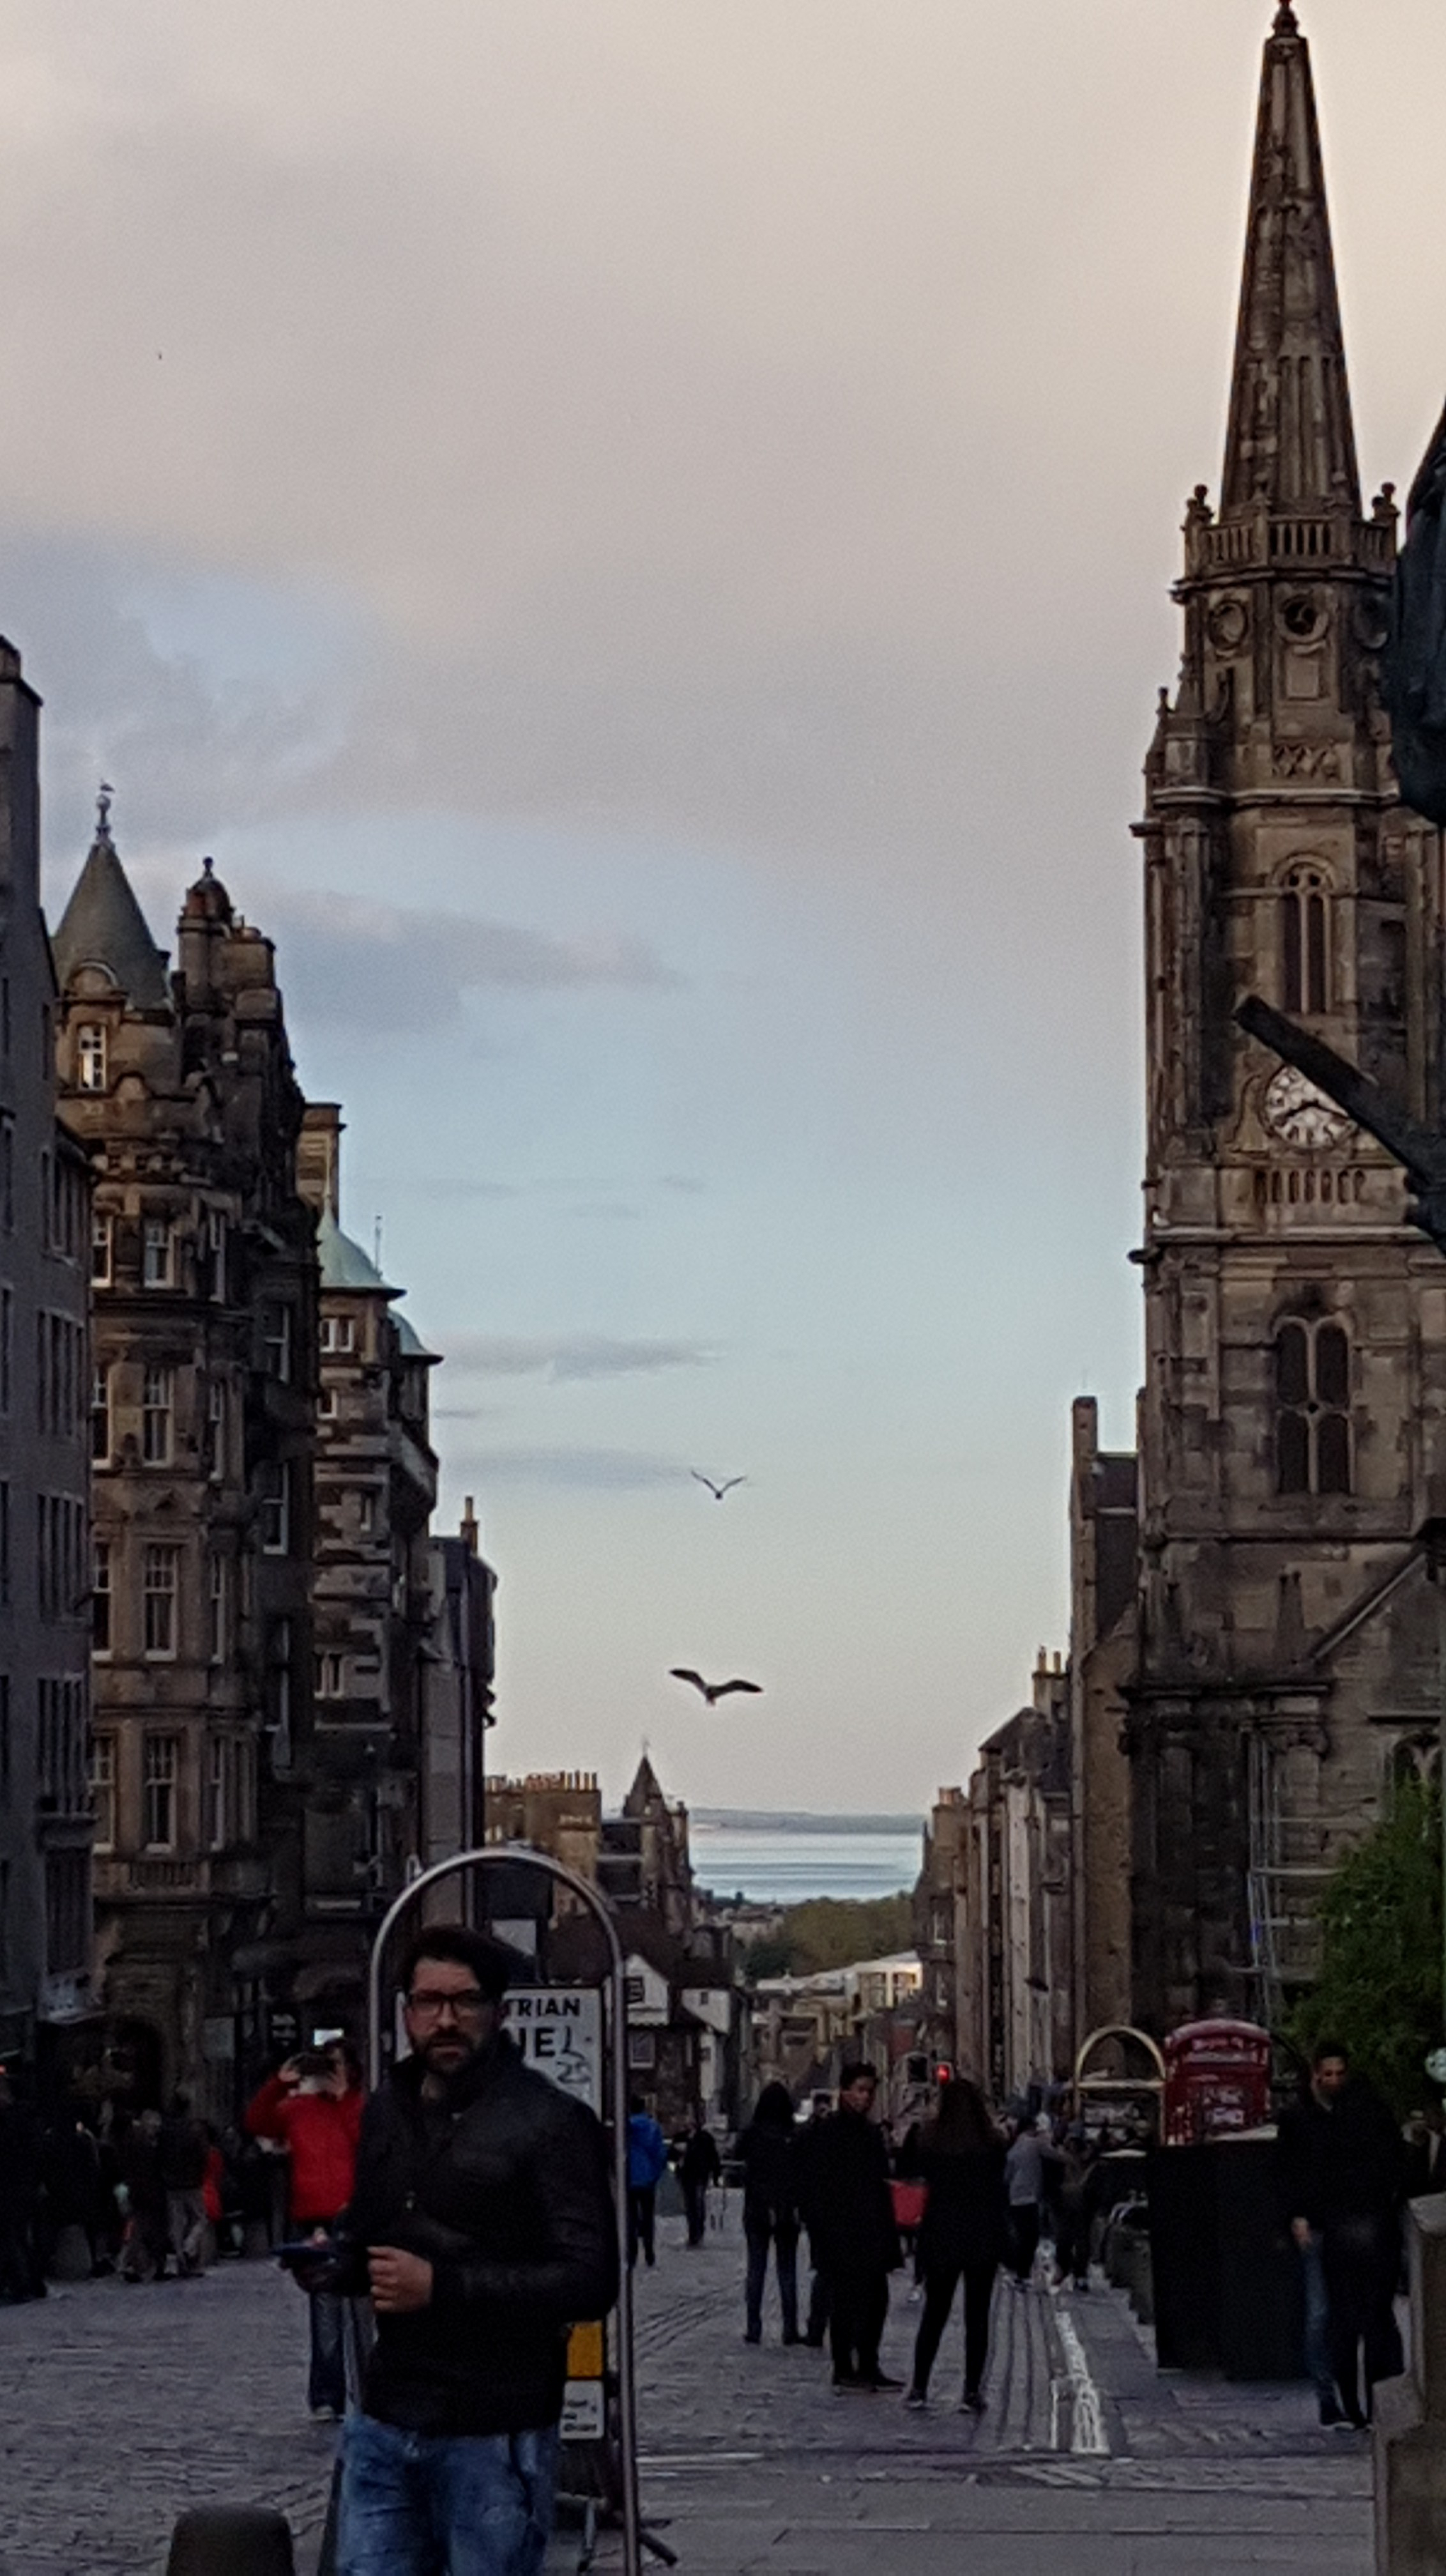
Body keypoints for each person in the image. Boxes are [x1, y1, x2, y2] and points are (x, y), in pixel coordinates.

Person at [317, 1924, 617, 2576]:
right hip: (389, 2414)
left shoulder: (550, 2121)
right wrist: (336, 2261)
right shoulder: (385, 2112)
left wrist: (443, 2287)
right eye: (429, 2002)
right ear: (406, 2012)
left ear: (497, 2011)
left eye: (465, 2002)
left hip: (493, 2425)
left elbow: (589, 2279)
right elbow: (374, 2231)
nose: (445, 2021)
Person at [1279, 2040, 1405, 2430]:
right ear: (1317, 2074)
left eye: (1339, 2074)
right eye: (1327, 2074)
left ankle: (1350, 2402)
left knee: (1342, 2321)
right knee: (1345, 2318)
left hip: (1339, 2230)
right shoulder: (1313, 2116)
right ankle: (1342, 2398)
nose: (1334, 2080)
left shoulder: (1341, 2118)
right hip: (1347, 2229)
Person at [247, 2041, 367, 2419]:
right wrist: (279, 2085)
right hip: (316, 2215)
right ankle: (327, 2394)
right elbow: (258, 2122)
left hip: (357, 2215)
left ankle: (367, 2390)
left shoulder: (361, 2106)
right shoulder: (299, 2110)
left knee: (364, 2309)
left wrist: (344, 2097)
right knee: (326, 2311)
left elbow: (366, 2143)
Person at [906, 2077, 1006, 2412]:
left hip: (942, 2234)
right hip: (980, 2236)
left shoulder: (931, 2143)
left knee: (935, 2314)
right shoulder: (991, 2145)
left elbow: (913, 2172)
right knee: (977, 2317)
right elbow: (998, 2192)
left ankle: (920, 2387)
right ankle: (972, 2390)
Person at [804, 2062, 902, 2392]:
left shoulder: (871, 2133)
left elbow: (879, 2182)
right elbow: (818, 2187)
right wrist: (825, 2230)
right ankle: (844, 2366)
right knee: (845, 2303)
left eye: (869, 2091)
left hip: (872, 2229)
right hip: (842, 2232)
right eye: (860, 2090)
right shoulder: (829, 2132)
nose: (865, 2097)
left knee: (876, 2300)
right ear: (845, 2092)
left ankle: (869, 2363)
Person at [738, 2083, 801, 2345]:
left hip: (757, 2209)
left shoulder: (752, 2134)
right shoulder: (793, 2136)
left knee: (756, 2269)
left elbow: (738, 2155)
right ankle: (790, 2328)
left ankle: (754, 2327)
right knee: (787, 2271)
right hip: (787, 2209)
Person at [0, 2066, 45, 2302]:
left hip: (11, 2188)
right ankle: (30, 2283)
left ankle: (22, 2283)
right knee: (20, 2237)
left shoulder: (11, 2123)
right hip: (25, 2188)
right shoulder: (31, 2123)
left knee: (12, 2238)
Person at [159, 2092, 210, 2276]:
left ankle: (181, 2261)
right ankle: (190, 2248)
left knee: (177, 2224)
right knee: (199, 2219)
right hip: (191, 2182)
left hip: (171, 2183)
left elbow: (160, 2155)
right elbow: (204, 2155)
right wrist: (198, 2173)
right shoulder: (194, 2129)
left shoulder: (165, 2130)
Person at [1003, 2114, 1053, 2288]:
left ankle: (1020, 2272)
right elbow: (1053, 2155)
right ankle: (1022, 2273)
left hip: (1015, 2196)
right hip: (1029, 2196)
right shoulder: (1034, 2143)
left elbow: (1007, 2175)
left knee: (1021, 2235)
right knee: (1030, 2236)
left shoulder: (1015, 2147)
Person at [1049, 2128, 1102, 2292]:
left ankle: (1079, 2274)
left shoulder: (1088, 2163)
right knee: (1064, 2240)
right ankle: (1064, 2269)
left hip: (1081, 2206)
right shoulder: (1058, 2160)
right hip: (1064, 2204)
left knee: (1081, 2242)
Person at [627, 2094, 668, 2268]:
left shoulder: (626, 2128)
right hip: (648, 2179)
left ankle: (632, 2253)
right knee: (648, 2216)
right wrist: (656, 2173)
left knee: (631, 2218)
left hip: (629, 2179)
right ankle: (649, 2252)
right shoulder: (653, 2128)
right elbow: (660, 2153)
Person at [676, 2111, 722, 2249]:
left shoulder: (704, 2138)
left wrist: (715, 2174)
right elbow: (672, 2155)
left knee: (697, 2203)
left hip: (699, 2174)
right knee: (691, 2205)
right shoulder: (682, 2138)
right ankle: (694, 2233)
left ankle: (697, 2232)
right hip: (688, 2175)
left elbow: (713, 2157)